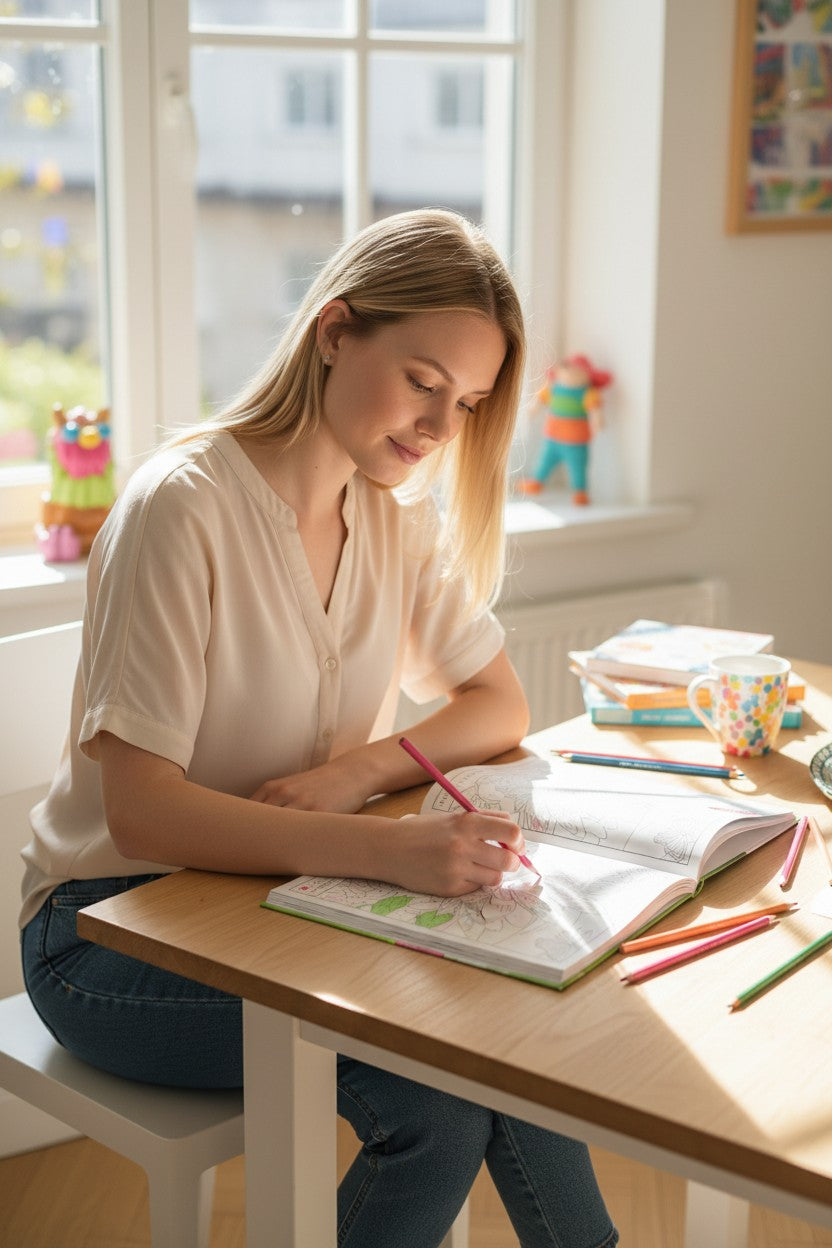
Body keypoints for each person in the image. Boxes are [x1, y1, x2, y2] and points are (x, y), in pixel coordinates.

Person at [19, 209, 618, 1248]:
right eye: (424, 382)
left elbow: (499, 704)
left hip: (281, 900)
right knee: (436, 1094)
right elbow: (145, 812)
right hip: (104, 932)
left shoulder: (391, 513)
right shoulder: (182, 509)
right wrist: (388, 849)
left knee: (504, 1024)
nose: (438, 427)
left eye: (467, 403)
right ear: (334, 331)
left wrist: (355, 777)